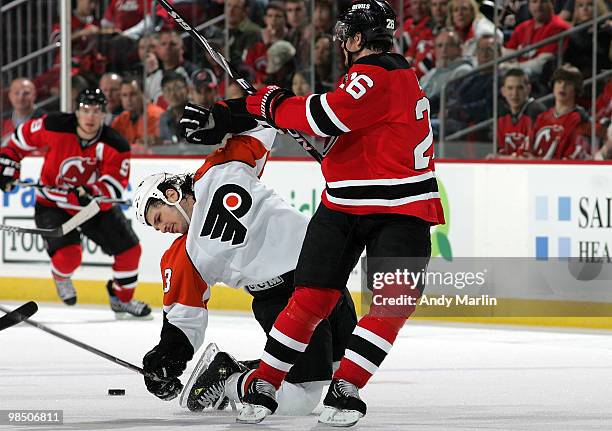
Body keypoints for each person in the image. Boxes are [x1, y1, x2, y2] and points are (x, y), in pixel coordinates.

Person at [229, 0, 444, 425]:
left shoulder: (378, 72)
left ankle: (342, 386)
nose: (342, 41)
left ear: (360, 38)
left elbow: (326, 115)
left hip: (398, 209)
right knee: (312, 297)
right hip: (350, 202)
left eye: (347, 33)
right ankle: (267, 383)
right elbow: (347, 131)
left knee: (383, 303)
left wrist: (271, 103)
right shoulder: (383, 75)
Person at [134, 100, 357, 415]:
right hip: (282, 299)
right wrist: (166, 359)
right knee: (302, 399)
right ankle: (229, 381)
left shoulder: (218, 168)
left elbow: (262, 125)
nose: (162, 229)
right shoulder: (183, 255)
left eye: (157, 218)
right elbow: (183, 320)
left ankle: (234, 369)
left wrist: (220, 118)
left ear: (170, 194)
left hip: (323, 272)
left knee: (342, 368)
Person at [0, 89, 151, 318]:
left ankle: (122, 300)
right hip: (53, 204)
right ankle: (61, 276)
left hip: (92, 208)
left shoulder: (116, 144)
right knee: (69, 257)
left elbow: (114, 185)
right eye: (85, 110)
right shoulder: (54, 125)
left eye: (96, 111)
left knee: (130, 251)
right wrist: (8, 165)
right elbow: (18, 141)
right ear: (77, 111)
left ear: (104, 114)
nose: (90, 117)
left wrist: (91, 192)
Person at [524, 65, 590, 159]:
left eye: (568, 83)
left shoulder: (580, 118)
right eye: (559, 82)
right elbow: (527, 149)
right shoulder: (542, 117)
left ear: (576, 89)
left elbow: (574, 156)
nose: (562, 86)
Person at [504, 0, 571, 79]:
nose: (538, 6)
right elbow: (506, 54)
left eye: (543, 1)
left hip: (542, 80)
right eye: (534, 1)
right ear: (528, 5)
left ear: (552, 4)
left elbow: (541, 65)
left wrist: (511, 67)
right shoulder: (521, 28)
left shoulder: (559, 27)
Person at [495, 68, 546, 157]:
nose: (514, 94)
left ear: (528, 89)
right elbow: (499, 151)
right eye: (510, 88)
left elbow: (528, 157)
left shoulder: (537, 113)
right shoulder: (502, 116)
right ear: (503, 91)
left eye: (520, 88)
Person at [111, 78, 165, 149]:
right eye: (124, 95)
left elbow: (153, 147)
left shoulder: (155, 115)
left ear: (143, 95)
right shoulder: (121, 119)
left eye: (133, 94)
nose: (128, 99)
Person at [1, 78, 45, 146]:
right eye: (16, 93)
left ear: (34, 95)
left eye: (26, 93)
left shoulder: (46, 120)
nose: (20, 98)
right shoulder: (2, 121)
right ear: (10, 96)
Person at [159, 72, 190, 143]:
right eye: (168, 90)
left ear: (187, 89)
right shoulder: (164, 118)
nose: (173, 93)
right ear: (163, 96)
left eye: (177, 88)